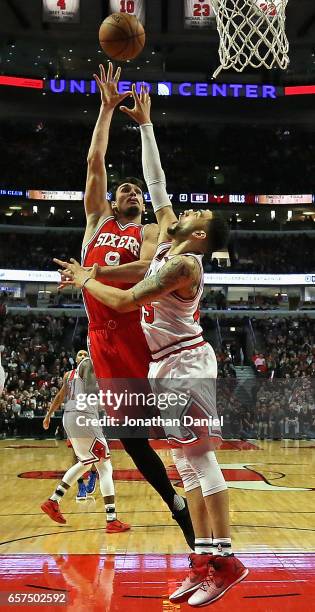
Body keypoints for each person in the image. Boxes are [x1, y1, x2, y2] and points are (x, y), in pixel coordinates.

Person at [56, 84, 248, 607]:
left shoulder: (184, 262)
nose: (185, 210)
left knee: (201, 462)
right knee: (186, 466)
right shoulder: (167, 234)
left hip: (185, 358)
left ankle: (225, 560)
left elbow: (124, 302)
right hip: (163, 363)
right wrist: (144, 124)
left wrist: (86, 275)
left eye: (198, 216)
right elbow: (156, 179)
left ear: (203, 235)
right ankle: (203, 559)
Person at [56, 62, 194, 549]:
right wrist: (105, 110)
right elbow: (95, 161)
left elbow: (143, 273)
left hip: (141, 332)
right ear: (113, 201)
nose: (131, 191)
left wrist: (89, 275)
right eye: (124, 189)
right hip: (102, 341)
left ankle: (198, 497)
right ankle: (179, 510)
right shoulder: (96, 223)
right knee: (132, 440)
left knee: (178, 432)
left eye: (136, 189)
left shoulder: (150, 231)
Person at [41, 351, 130, 533]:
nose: (83, 357)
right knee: (105, 467)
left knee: (85, 463)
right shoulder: (90, 364)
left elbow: (61, 397)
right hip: (84, 418)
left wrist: (49, 415)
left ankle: (53, 500)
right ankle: (111, 520)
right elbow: (92, 393)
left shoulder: (69, 375)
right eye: (80, 354)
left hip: (70, 418)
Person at [43, 349, 97, 500]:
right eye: (80, 354)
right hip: (73, 417)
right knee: (76, 453)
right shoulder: (68, 375)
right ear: (75, 358)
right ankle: (80, 486)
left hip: (90, 416)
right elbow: (60, 396)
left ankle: (93, 473)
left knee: (94, 452)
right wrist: (48, 415)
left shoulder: (93, 374)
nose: (83, 356)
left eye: (86, 355)